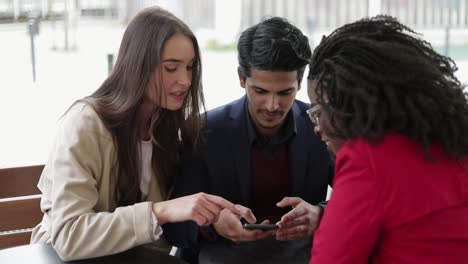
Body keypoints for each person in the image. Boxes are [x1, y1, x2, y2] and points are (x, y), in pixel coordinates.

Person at [30, 7, 240, 261]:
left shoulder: (164, 127)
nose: (185, 80)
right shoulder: (85, 124)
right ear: (138, 65)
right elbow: (69, 235)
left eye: (190, 67)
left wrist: (213, 219)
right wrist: (159, 211)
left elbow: (169, 226)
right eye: (171, 68)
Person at [164, 17, 333, 263]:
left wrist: (320, 214)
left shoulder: (321, 127)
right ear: (242, 78)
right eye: (260, 91)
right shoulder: (203, 130)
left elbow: (362, 198)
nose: (272, 106)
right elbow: (175, 228)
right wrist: (213, 224)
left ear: (300, 83)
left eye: (285, 92)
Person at [307, 15, 468, 263]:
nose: (317, 128)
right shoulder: (455, 141)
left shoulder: (368, 160)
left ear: (348, 104)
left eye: (318, 112)